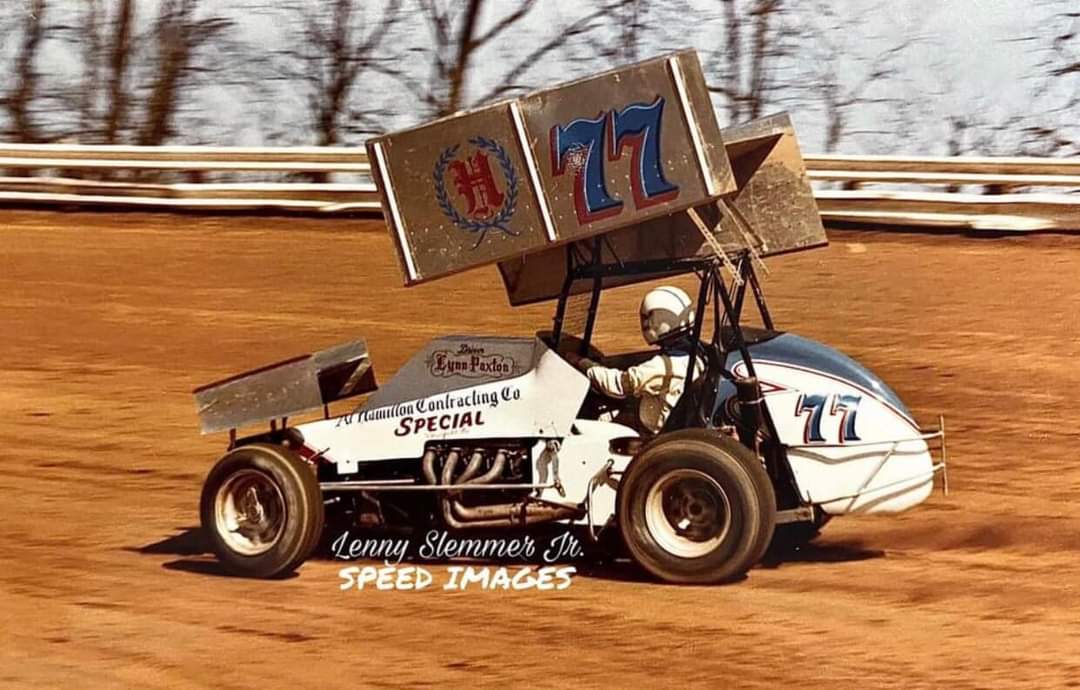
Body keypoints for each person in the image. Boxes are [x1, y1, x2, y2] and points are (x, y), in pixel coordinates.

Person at [564, 286, 703, 435]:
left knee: (595, 424)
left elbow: (617, 385)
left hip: (652, 433)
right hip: (671, 420)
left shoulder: (660, 367)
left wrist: (581, 363)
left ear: (657, 321)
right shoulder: (698, 352)